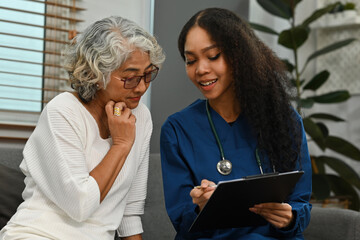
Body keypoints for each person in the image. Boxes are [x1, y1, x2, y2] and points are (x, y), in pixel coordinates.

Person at [0, 16, 165, 240]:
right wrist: (122, 144)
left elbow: (129, 211)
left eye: (148, 74)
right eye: (130, 78)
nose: (142, 87)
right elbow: (80, 205)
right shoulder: (63, 111)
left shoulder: (141, 116)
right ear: (96, 75)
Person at [160, 8, 312, 240]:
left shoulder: (285, 120)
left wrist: (289, 217)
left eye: (213, 56)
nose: (200, 69)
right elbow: (181, 219)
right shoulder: (177, 130)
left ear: (239, 56)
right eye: (191, 60)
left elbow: (301, 202)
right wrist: (200, 206)